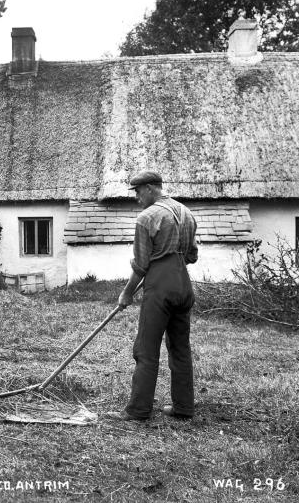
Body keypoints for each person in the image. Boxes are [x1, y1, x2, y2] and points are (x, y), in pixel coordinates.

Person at [109, 171, 199, 421]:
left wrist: (127, 293)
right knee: (180, 348)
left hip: (160, 286)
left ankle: (138, 410)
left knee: (145, 350)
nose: (136, 197)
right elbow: (192, 255)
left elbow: (141, 265)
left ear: (150, 188)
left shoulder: (146, 218)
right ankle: (183, 407)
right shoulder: (187, 213)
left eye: (137, 192)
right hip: (183, 285)